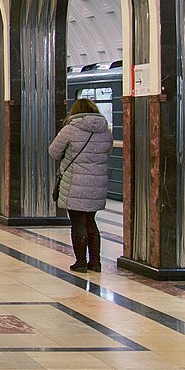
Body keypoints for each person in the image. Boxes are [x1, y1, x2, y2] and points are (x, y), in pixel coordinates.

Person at [47, 97, 111, 272]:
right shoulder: (105, 130)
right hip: (98, 183)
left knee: (78, 222)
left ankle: (81, 262)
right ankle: (96, 262)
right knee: (91, 221)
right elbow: (108, 152)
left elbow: (53, 152)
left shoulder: (70, 129)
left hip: (74, 181)